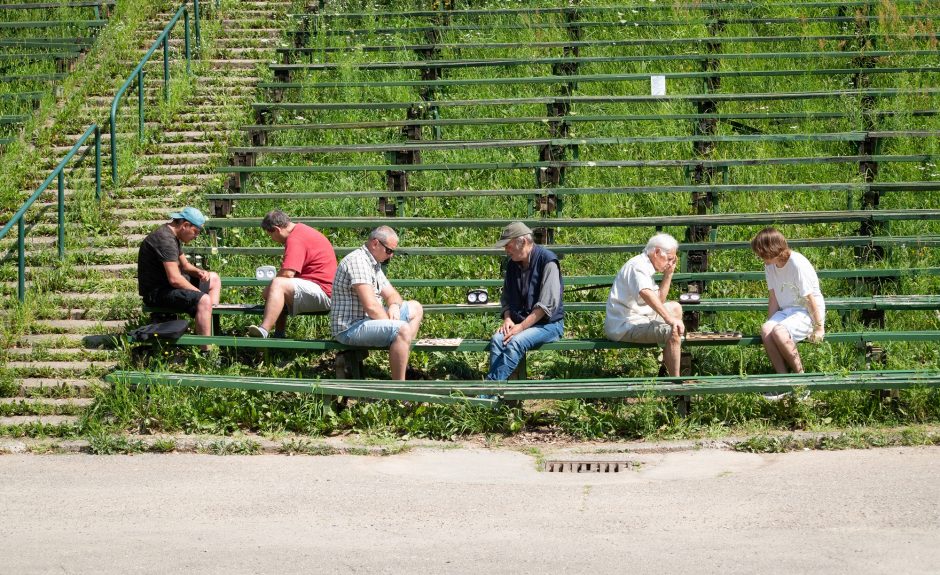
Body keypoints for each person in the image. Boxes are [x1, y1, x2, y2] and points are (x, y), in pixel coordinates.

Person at [330, 226, 424, 380]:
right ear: (375, 243)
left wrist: (393, 305)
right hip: (350, 327)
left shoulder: (372, 263)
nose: (391, 255)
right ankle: (399, 389)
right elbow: (371, 307)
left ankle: (402, 361)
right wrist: (393, 325)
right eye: (389, 250)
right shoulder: (358, 262)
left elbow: (393, 294)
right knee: (402, 329)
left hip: (366, 321)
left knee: (415, 308)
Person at [486, 222, 564, 381]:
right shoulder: (512, 264)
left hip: (548, 325)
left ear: (523, 242)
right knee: (497, 340)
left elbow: (545, 307)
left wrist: (520, 327)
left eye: (508, 245)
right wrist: (507, 317)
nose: (506, 250)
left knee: (516, 342)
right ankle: (498, 394)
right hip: (520, 323)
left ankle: (488, 391)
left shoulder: (548, 261)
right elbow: (506, 297)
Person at [604, 233, 685, 376]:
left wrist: (668, 274)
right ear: (657, 252)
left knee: (675, 308)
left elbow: (658, 300)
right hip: (625, 325)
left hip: (641, 317)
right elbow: (646, 293)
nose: (670, 263)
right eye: (670, 258)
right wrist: (668, 319)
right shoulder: (638, 267)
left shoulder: (646, 265)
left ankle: (666, 369)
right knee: (673, 330)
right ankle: (676, 383)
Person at [248, 210, 337, 338]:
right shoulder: (301, 231)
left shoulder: (295, 238)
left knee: (278, 285)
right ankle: (279, 335)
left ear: (276, 229)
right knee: (278, 288)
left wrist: (267, 290)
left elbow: (287, 274)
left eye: (270, 235)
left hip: (324, 292)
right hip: (323, 290)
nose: (272, 239)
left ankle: (264, 330)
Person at [750, 227, 825, 375]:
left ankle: (799, 379)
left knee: (779, 331)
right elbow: (773, 298)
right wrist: (769, 330)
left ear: (771, 250)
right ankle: (782, 377)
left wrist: (819, 327)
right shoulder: (769, 266)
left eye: (761, 253)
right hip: (787, 311)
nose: (759, 256)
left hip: (806, 312)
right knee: (766, 330)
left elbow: (809, 299)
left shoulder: (796, 264)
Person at [137, 207, 221, 338]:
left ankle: (211, 330)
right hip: (156, 293)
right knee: (204, 300)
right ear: (185, 225)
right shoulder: (165, 240)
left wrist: (199, 272)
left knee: (213, 278)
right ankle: (206, 350)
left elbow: (185, 265)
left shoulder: (172, 235)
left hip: (168, 286)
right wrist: (200, 294)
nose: (196, 236)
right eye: (196, 232)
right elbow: (175, 279)